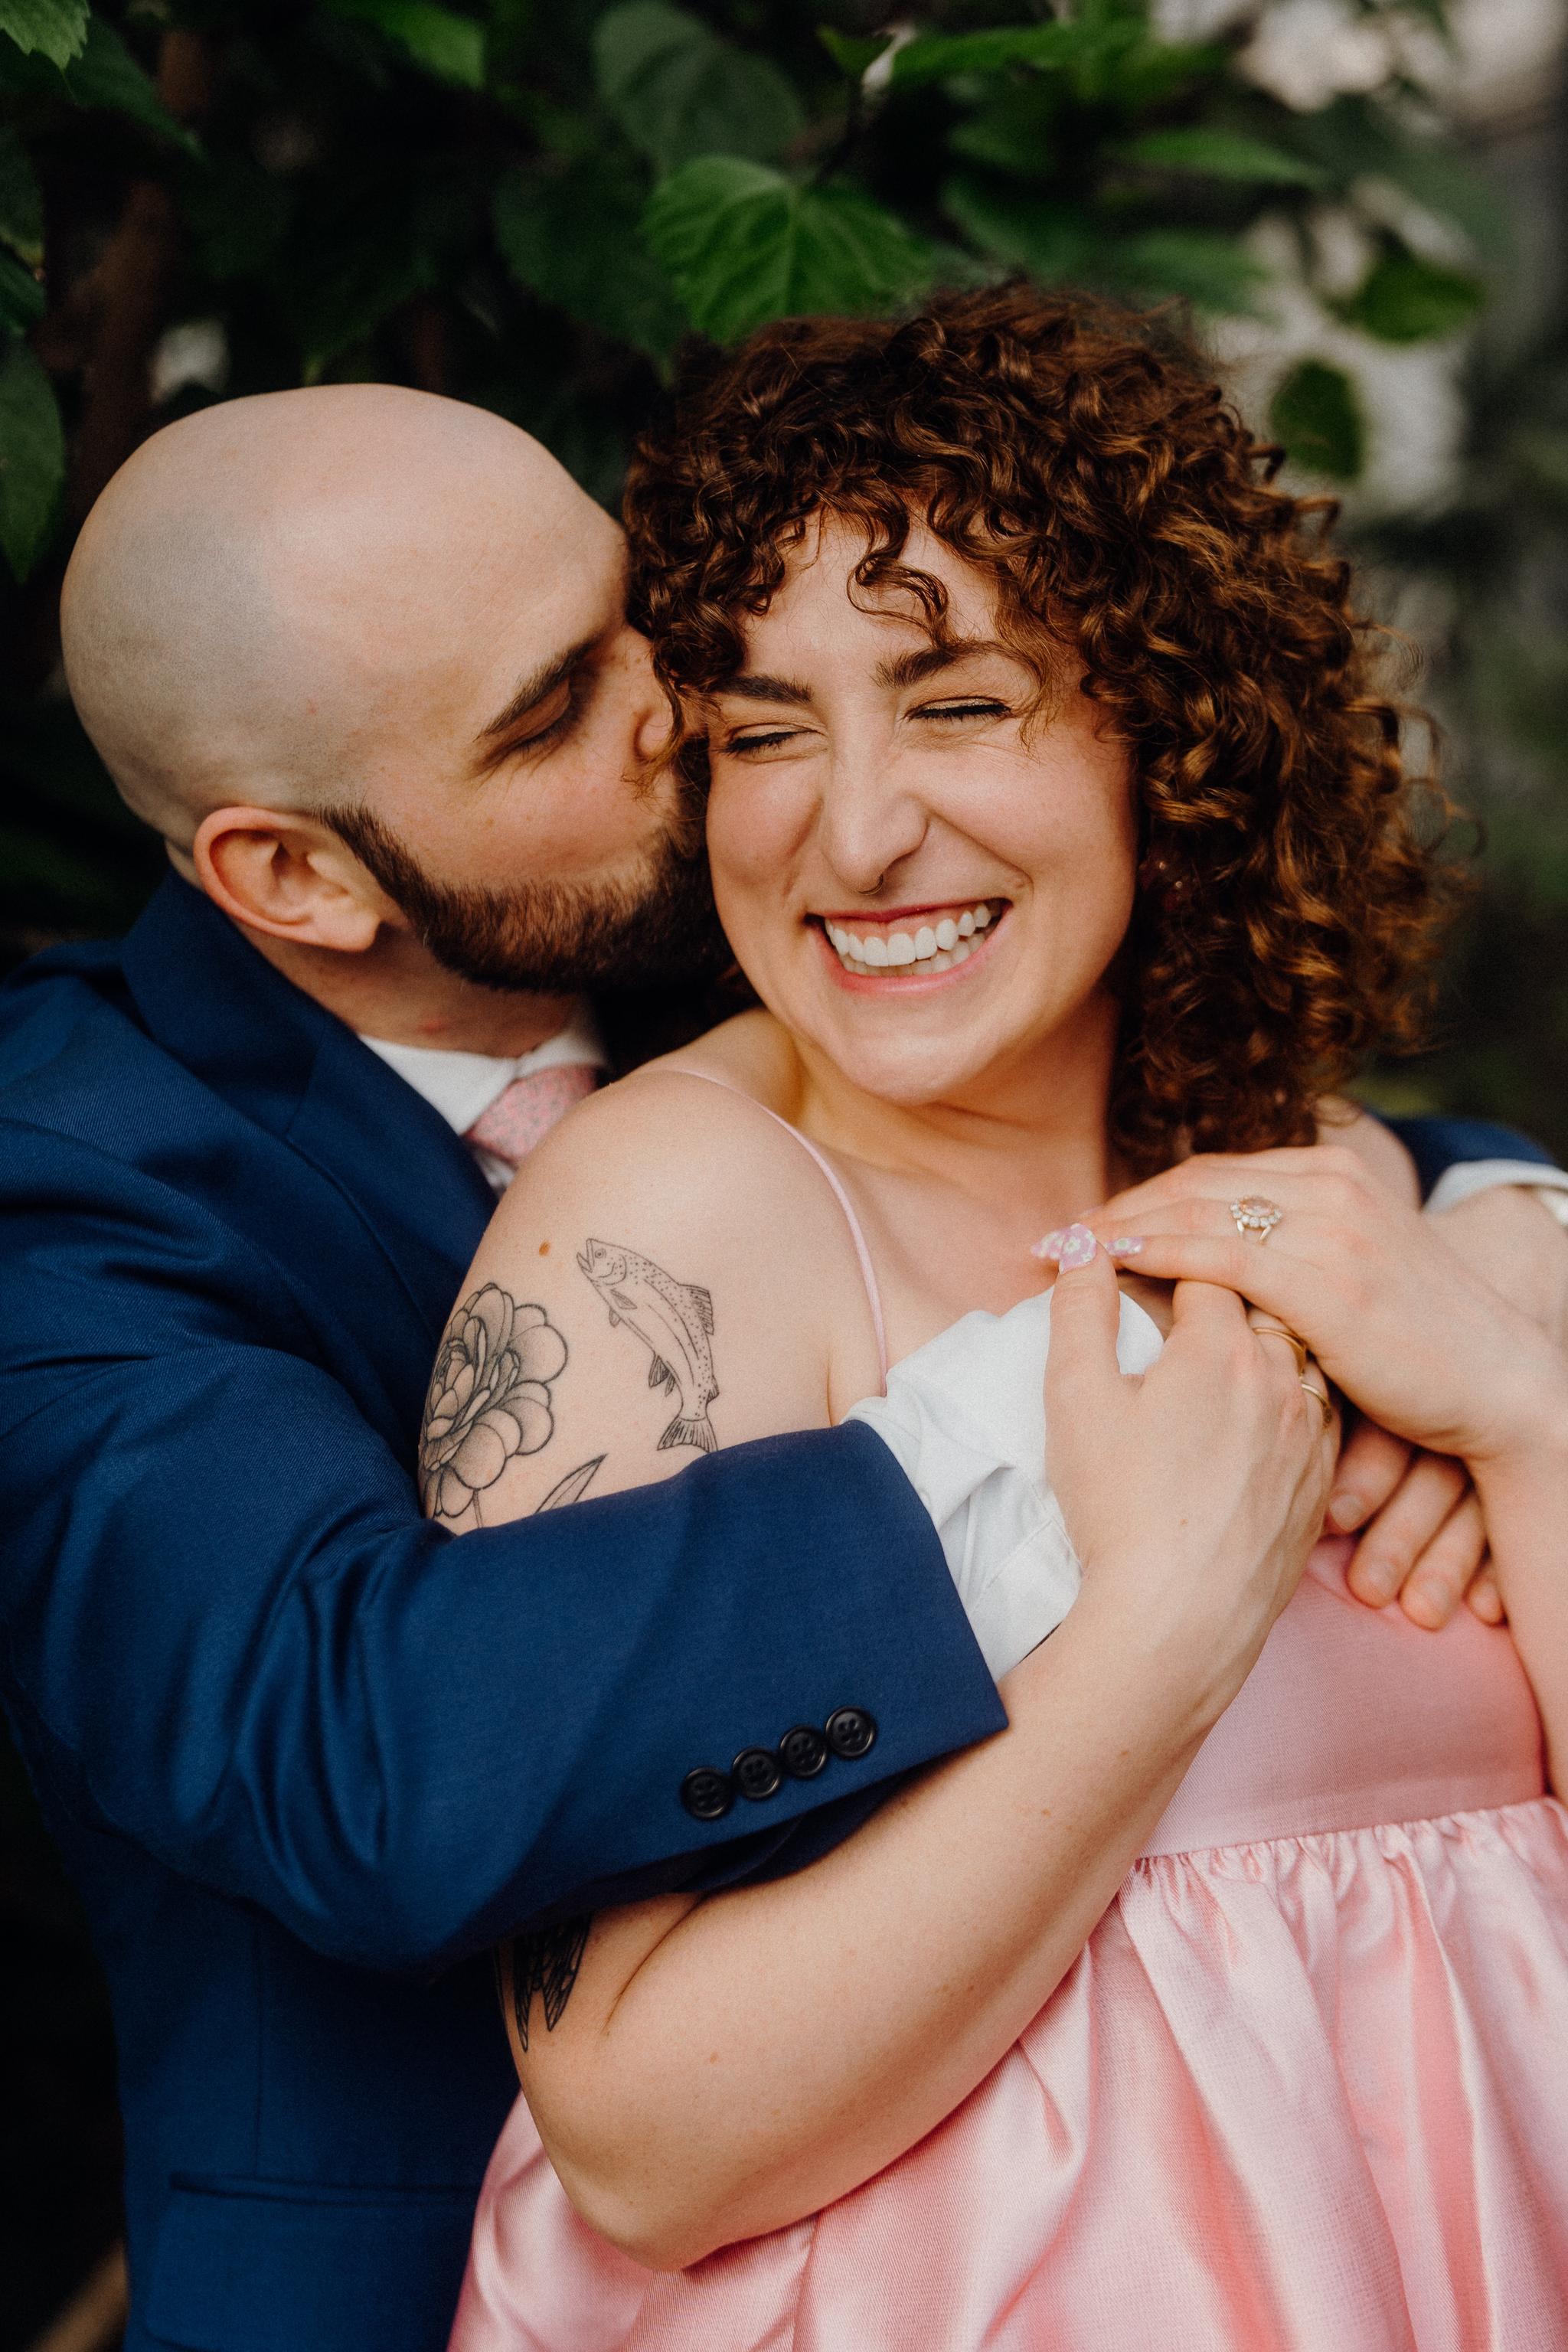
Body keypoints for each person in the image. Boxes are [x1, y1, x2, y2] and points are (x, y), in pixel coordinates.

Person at [0, 382, 1552, 2352]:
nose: (676, 710)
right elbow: (364, 1753)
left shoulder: (716, 888)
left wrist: (1484, 1227)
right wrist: (1109, 1398)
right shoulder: (67, 1199)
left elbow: (1118, 1046)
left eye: (646, 626)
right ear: (299, 877)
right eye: (556, 707)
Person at [443, 291, 1568, 2351]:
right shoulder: (679, 1229)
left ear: (1174, 719)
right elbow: (637, 2141)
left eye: (958, 705)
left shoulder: (1364, 1193)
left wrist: (1526, 1412)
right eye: (766, 729)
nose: (851, 832)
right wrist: (1158, 1637)